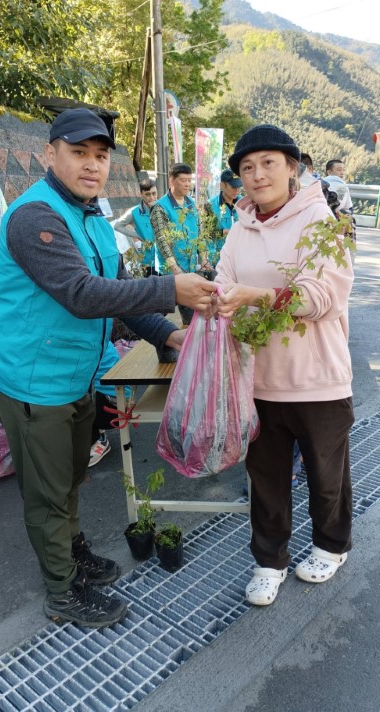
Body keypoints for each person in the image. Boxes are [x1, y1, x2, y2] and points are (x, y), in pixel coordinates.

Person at [0, 108, 214, 628]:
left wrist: (167, 332)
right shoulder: (34, 216)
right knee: (46, 490)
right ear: (50, 154)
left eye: (101, 156)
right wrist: (172, 288)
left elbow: (119, 295)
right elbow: (83, 296)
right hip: (31, 381)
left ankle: (73, 550)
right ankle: (63, 593)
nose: (92, 165)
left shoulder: (92, 216)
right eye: (78, 153)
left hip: (77, 375)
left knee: (69, 478)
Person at [214, 124, 354, 606]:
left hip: (318, 382)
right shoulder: (239, 227)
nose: (256, 174)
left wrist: (255, 296)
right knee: (266, 480)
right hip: (259, 381)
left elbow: (323, 297)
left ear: (292, 167)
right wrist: (217, 301)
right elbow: (223, 280)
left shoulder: (321, 221)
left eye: (268, 163)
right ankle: (269, 561)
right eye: (247, 168)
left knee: (326, 476)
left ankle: (331, 546)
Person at [150, 163, 200, 325]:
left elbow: (199, 230)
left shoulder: (191, 204)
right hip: (171, 270)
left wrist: (203, 257)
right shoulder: (160, 208)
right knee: (166, 311)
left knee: (190, 309)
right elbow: (162, 241)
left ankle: (187, 338)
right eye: (183, 180)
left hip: (189, 265)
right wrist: (174, 268)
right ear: (172, 181)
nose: (187, 184)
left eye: (189, 180)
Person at [113, 178, 158, 276]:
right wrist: (136, 235)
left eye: (154, 193)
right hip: (148, 261)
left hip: (166, 258)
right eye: (147, 194)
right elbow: (117, 226)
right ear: (141, 194)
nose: (152, 197)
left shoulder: (164, 208)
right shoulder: (134, 212)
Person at [204, 169, 243, 266]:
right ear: (222, 185)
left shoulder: (244, 204)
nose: (237, 190)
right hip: (219, 259)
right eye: (233, 186)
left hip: (241, 257)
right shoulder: (210, 206)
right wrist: (222, 232)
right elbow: (206, 235)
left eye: (238, 186)